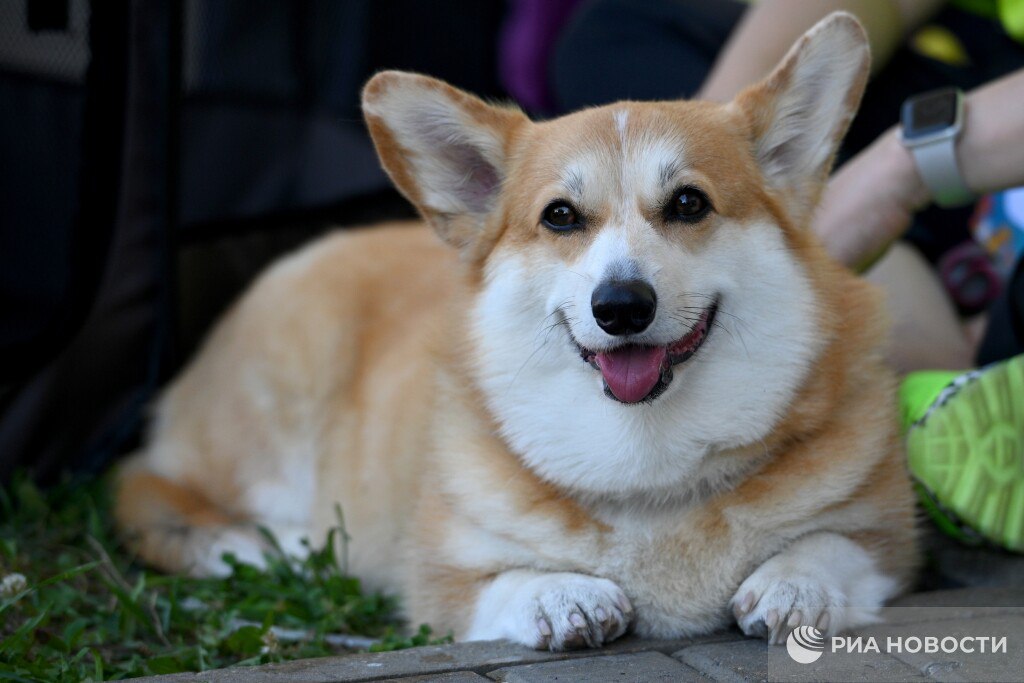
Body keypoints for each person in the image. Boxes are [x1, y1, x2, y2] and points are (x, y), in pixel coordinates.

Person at [550, 0, 1024, 552]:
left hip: (962, 156)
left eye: (683, 207)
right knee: (616, 33)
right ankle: (933, 379)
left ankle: (928, 388)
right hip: (985, 92)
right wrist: (711, 160)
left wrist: (905, 167)